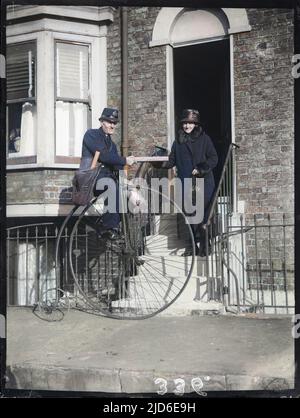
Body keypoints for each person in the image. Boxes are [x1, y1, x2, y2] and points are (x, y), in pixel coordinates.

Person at [163, 109, 218, 256]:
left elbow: (214, 158)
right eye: (185, 123)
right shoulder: (178, 142)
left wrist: (201, 168)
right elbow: (171, 161)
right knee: (190, 216)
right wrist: (160, 163)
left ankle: (206, 245)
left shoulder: (204, 139)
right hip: (186, 184)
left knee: (203, 216)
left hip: (203, 183)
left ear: (196, 125)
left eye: (191, 123)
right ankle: (193, 246)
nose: (187, 126)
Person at [80, 107, 136, 240]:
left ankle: (116, 226)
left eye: (114, 123)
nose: (112, 125)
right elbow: (104, 157)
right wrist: (125, 160)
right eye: (109, 122)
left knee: (127, 193)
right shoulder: (91, 135)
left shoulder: (112, 144)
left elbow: (116, 165)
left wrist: (126, 182)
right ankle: (107, 227)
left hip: (106, 177)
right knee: (111, 186)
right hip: (91, 178)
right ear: (102, 122)